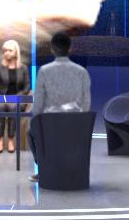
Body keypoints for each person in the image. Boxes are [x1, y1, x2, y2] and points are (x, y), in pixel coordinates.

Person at [27, 31, 91, 180]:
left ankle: (43, 168)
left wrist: (37, 120)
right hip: (75, 124)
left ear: (52, 49)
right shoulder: (81, 72)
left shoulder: (44, 71)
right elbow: (86, 103)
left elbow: (38, 105)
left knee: (31, 133)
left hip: (50, 124)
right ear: (70, 49)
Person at [0, 39, 30, 153]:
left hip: (17, 98)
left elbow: (27, 86)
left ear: (16, 52)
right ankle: (0, 141)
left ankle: (11, 140)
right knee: (0, 107)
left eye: (10, 50)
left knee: (13, 107)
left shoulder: (23, 68)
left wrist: (19, 96)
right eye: (5, 51)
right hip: (1, 98)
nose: (7, 53)